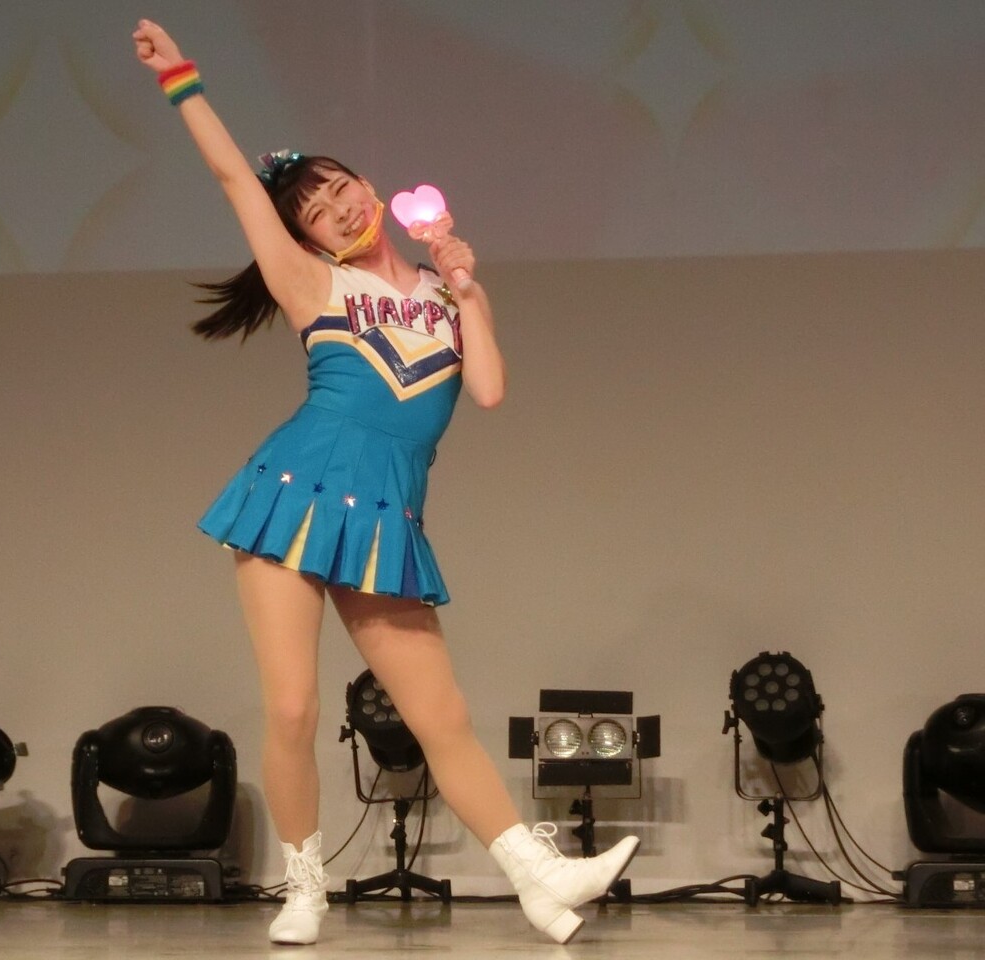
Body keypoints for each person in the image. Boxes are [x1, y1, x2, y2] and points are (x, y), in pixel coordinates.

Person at [132, 19, 639, 947]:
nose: (336, 206)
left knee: (443, 717)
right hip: (291, 497)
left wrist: (468, 288)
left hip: (384, 520)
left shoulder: (446, 298)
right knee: (293, 707)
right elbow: (235, 179)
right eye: (316, 210)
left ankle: (539, 881)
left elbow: (488, 391)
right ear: (307, 239)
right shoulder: (311, 286)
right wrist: (181, 79)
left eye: (340, 187)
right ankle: (304, 889)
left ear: (371, 186)